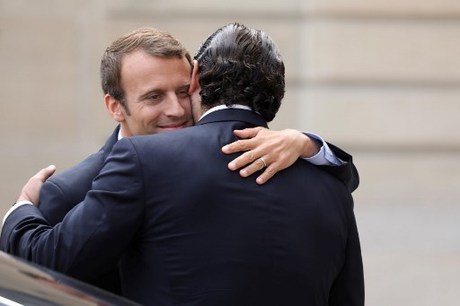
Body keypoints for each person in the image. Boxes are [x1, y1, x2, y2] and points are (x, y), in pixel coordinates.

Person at [1, 23, 364, 305]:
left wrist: (18, 212)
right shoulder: (329, 186)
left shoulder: (145, 161)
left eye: (179, 92)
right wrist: (310, 145)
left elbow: (46, 259)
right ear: (114, 106)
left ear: (195, 79)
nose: (174, 110)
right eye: (154, 97)